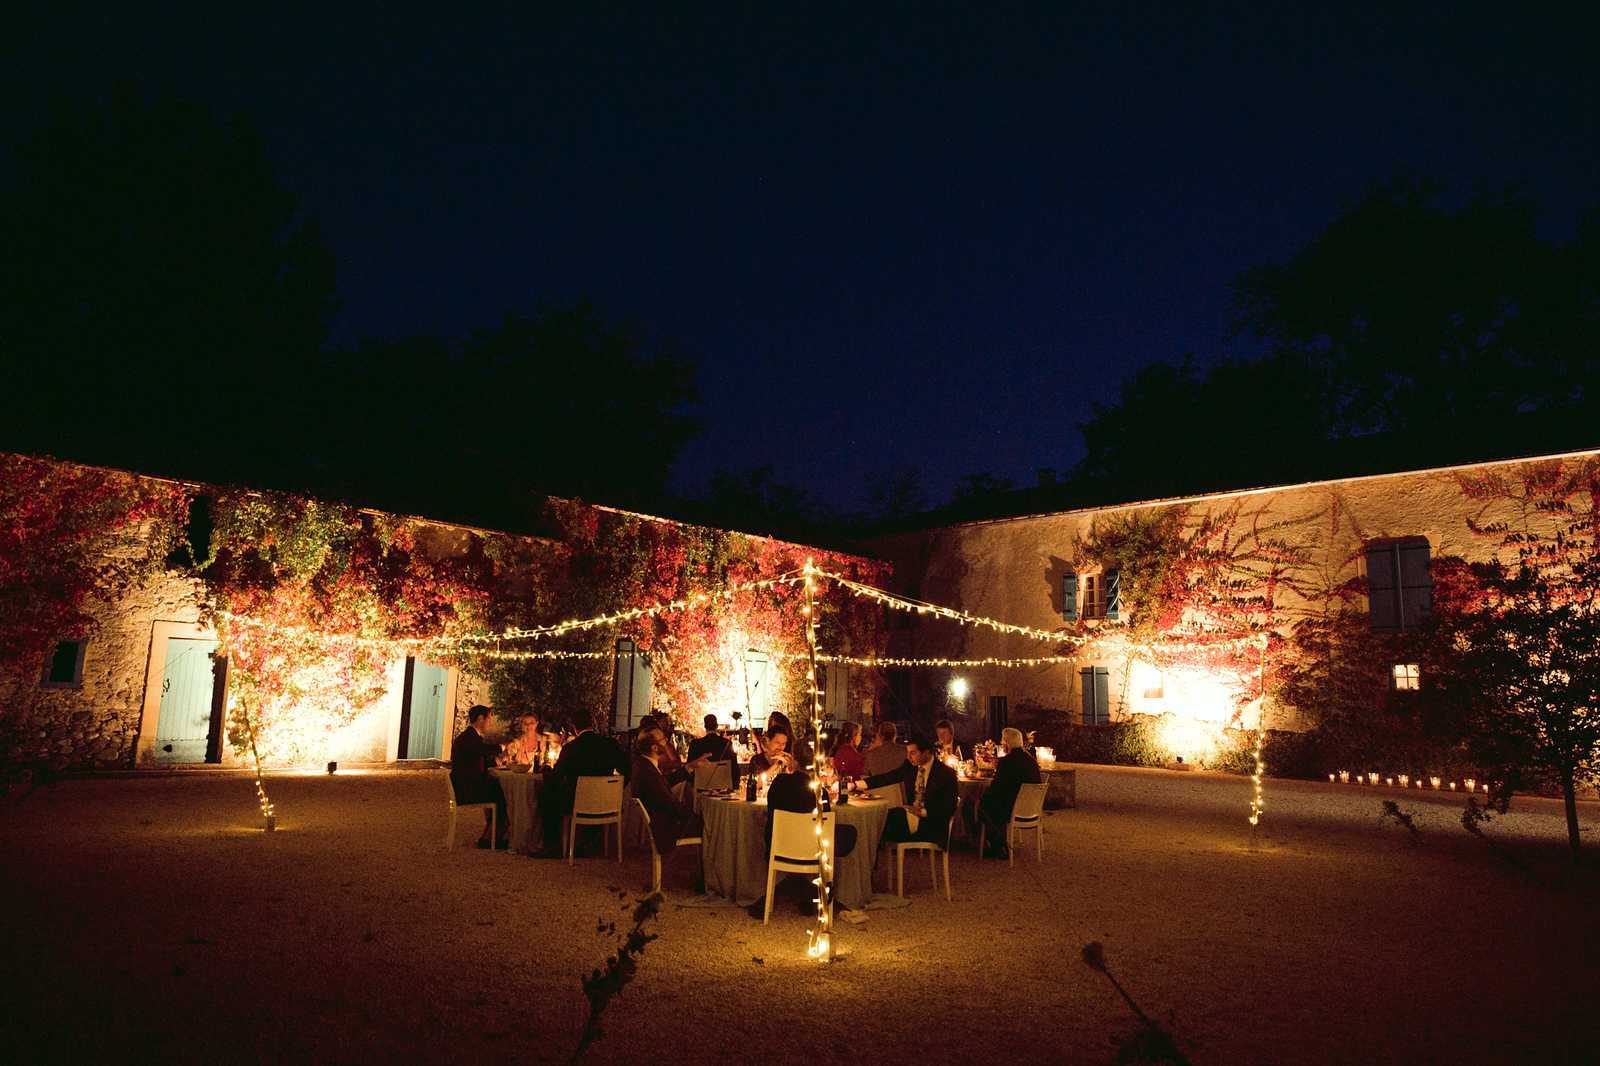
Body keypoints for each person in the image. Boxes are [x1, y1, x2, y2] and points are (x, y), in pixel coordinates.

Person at [536, 720, 630, 857]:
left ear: (574, 729)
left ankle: (552, 846)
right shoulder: (611, 745)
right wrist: (616, 790)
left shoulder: (571, 748)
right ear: (594, 725)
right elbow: (627, 770)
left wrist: (546, 769)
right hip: (606, 802)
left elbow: (555, 778)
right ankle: (589, 842)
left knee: (546, 795)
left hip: (576, 803)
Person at [856, 733, 958, 848]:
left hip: (932, 824)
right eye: (908, 753)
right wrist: (857, 785)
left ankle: (866, 854)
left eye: (913, 753)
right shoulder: (910, 767)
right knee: (878, 818)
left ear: (927, 752)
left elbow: (949, 806)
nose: (908, 757)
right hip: (909, 820)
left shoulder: (946, 773)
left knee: (886, 820)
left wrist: (921, 812)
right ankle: (868, 854)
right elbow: (888, 777)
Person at [631, 731, 703, 879]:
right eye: (663, 739)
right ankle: (709, 877)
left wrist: (689, 767)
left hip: (661, 821)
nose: (667, 742)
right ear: (655, 748)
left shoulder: (644, 765)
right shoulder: (648, 771)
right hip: (666, 827)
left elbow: (664, 783)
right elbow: (670, 805)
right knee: (714, 826)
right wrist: (697, 814)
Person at [977, 727, 1042, 859]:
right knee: (990, 804)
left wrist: (981, 796)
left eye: (1002, 743)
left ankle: (996, 845)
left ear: (1007, 744)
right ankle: (999, 842)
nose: (1001, 745)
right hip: (1031, 809)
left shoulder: (1006, 762)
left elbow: (996, 789)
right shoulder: (1031, 761)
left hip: (1011, 808)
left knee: (979, 806)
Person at [450, 705, 508, 849]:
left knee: (497, 788)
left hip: (465, 786)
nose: (490, 723)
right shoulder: (470, 738)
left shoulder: (470, 737)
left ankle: (490, 835)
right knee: (504, 794)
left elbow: (476, 757)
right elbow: (481, 750)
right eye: (489, 719)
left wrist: (496, 761)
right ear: (481, 719)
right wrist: (502, 748)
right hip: (467, 790)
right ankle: (493, 837)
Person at [686, 713, 741, 787]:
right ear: (717, 726)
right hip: (724, 787)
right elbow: (734, 769)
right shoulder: (726, 744)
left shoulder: (695, 744)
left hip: (701, 786)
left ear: (705, 726)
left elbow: (689, 768)